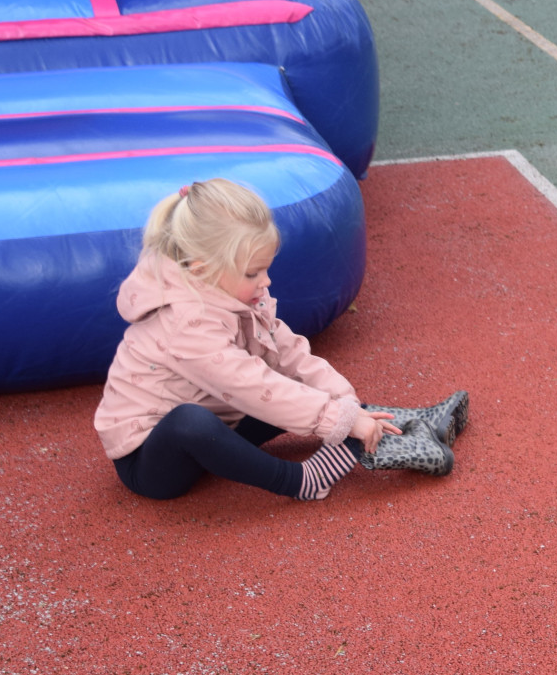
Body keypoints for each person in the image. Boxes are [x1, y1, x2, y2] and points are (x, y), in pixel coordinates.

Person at [94, 179, 469, 501]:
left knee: (292, 383)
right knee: (191, 422)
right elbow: (251, 386)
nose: (266, 281)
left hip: (223, 416)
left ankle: (400, 425)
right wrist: (334, 419)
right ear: (202, 269)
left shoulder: (236, 294)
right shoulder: (184, 324)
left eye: (265, 269)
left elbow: (290, 354)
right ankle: (303, 480)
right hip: (154, 460)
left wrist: (346, 403)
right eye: (253, 273)